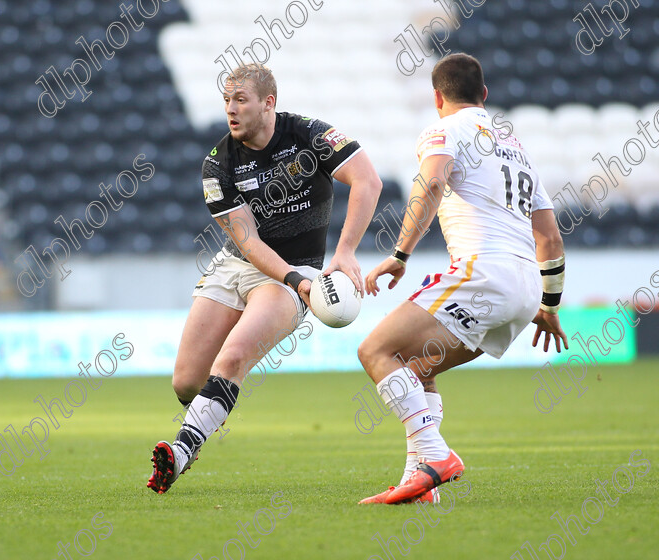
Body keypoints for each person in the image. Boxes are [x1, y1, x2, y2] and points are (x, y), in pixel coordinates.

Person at [147, 63, 383, 494]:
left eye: (241, 100)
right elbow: (250, 243)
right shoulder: (218, 164)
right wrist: (297, 282)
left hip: (292, 274)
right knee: (185, 380)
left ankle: (180, 451)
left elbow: (367, 180)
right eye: (226, 101)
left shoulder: (309, 136)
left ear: (268, 102)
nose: (231, 110)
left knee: (233, 358)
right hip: (241, 265)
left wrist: (344, 252)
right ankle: (199, 429)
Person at [356, 53, 568, 505]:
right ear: (484, 95)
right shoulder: (517, 148)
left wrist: (399, 254)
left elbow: (431, 185)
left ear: (437, 97)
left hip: (483, 273)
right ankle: (419, 484)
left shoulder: (443, 129)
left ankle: (437, 456)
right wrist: (549, 306)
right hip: (526, 289)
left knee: (374, 350)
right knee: (417, 370)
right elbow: (549, 237)